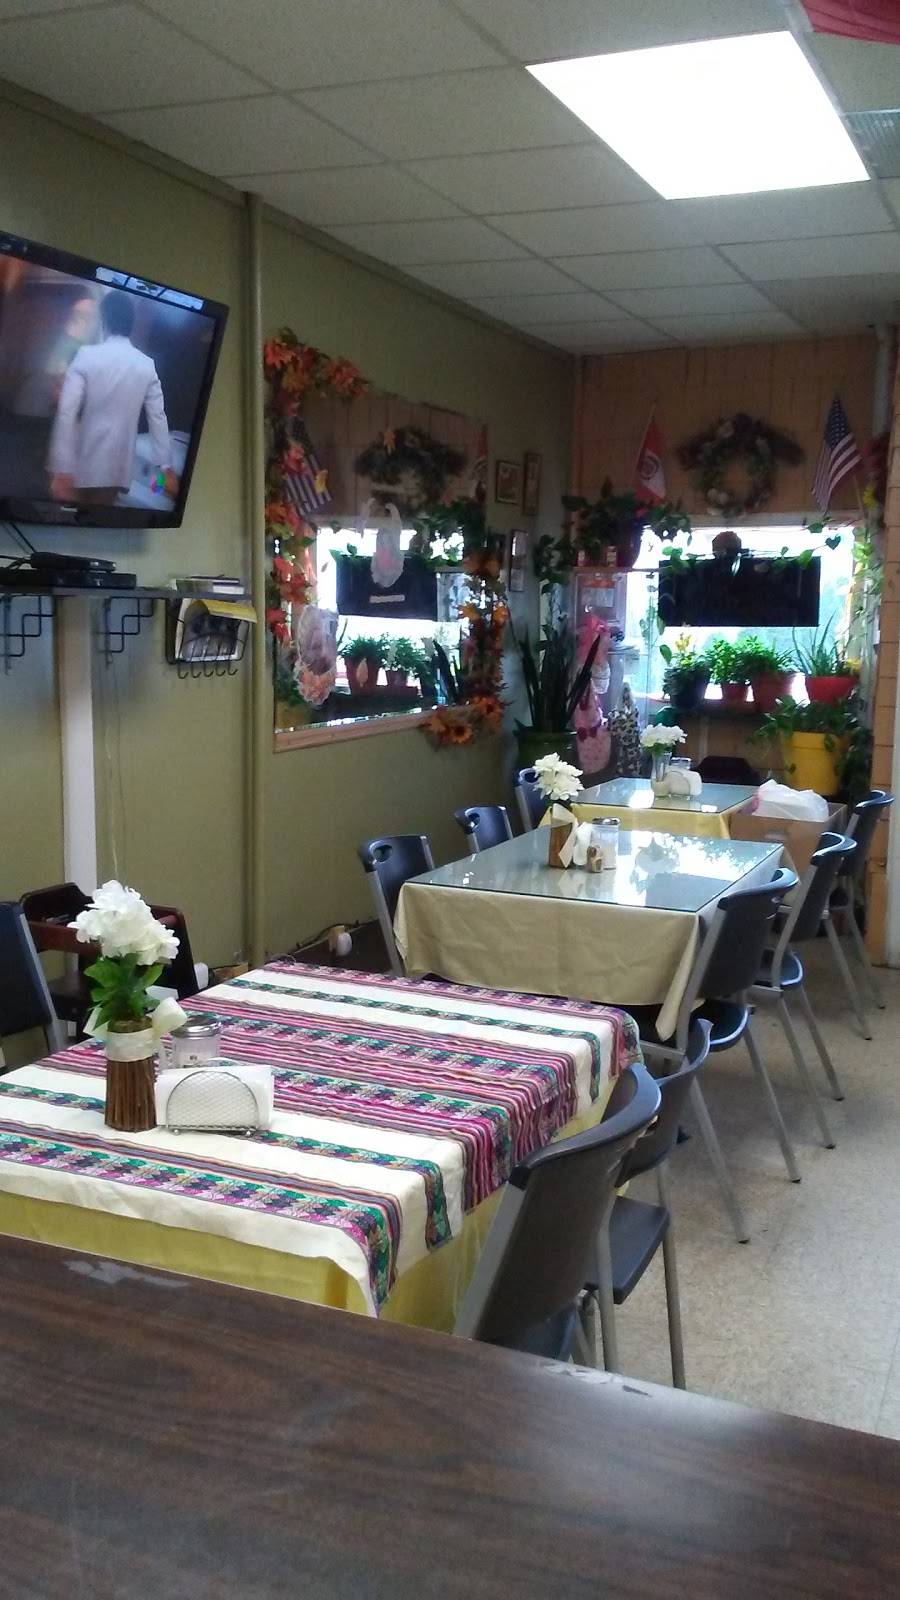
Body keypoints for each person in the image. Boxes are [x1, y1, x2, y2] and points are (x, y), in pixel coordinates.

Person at [48, 289, 172, 504]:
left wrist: (62, 465)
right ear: (130, 324)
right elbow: (158, 419)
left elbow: (67, 411)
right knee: (100, 515)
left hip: (82, 458)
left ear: (104, 320)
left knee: (67, 515)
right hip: (117, 467)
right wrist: (164, 469)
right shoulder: (146, 365)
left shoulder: (87, 355)